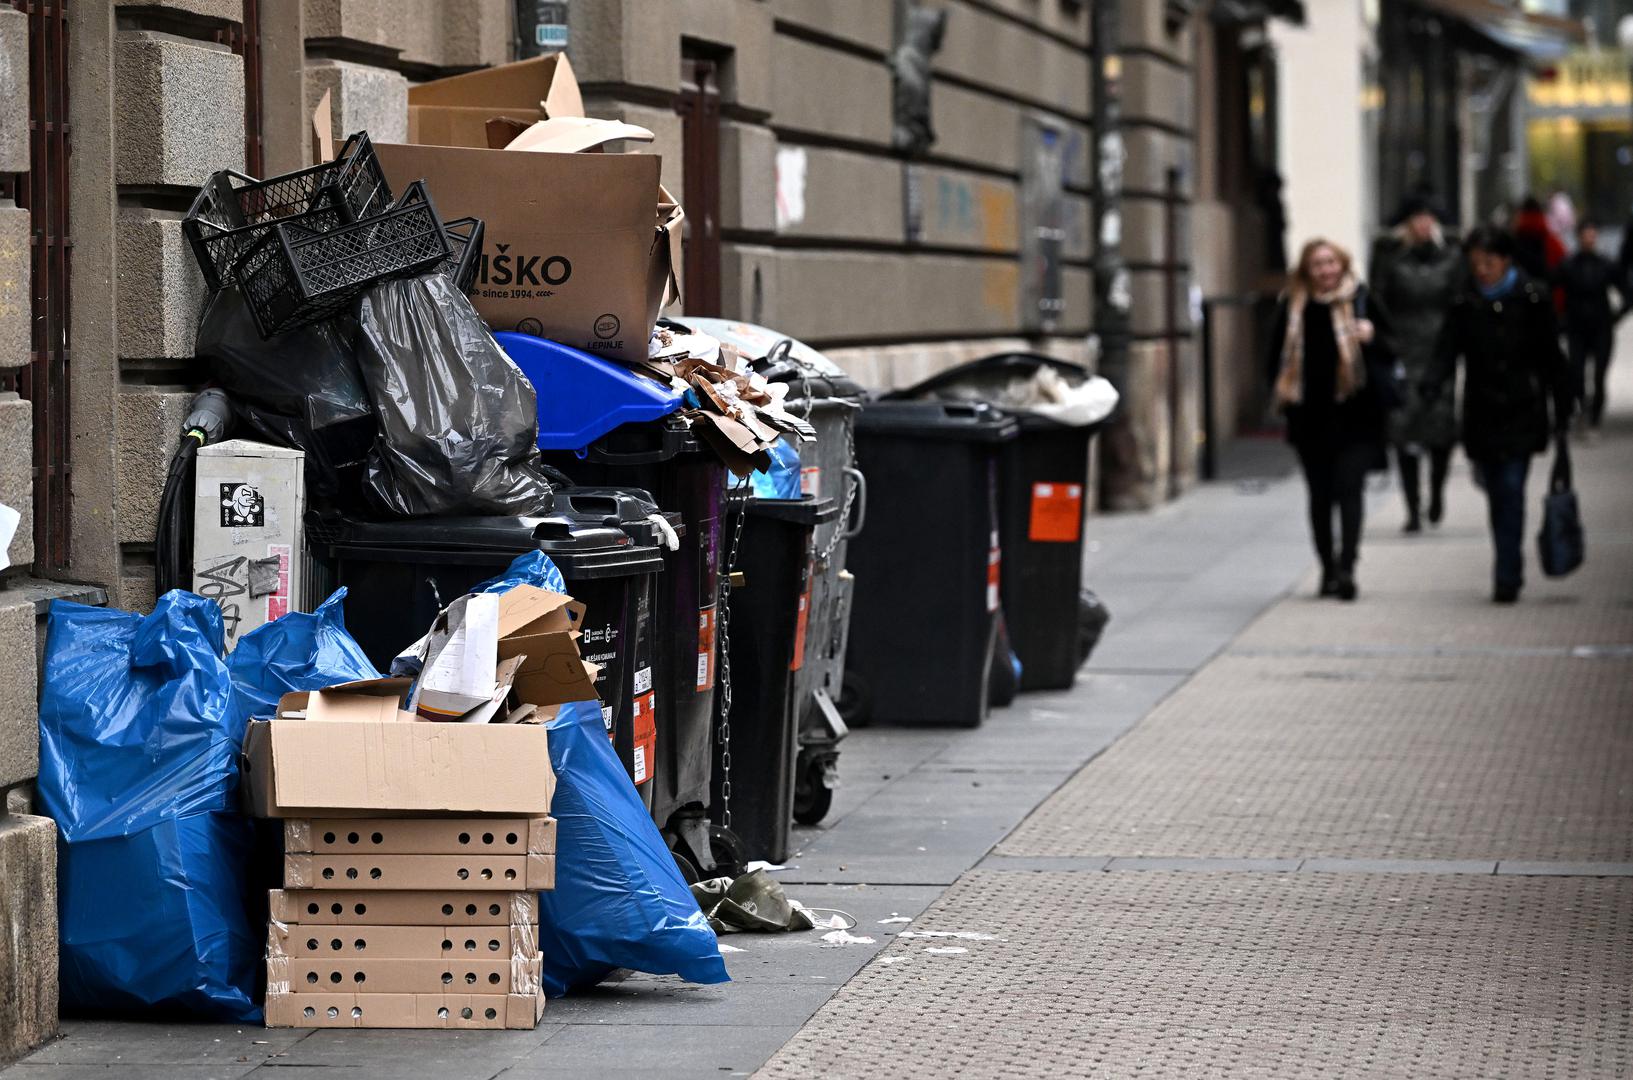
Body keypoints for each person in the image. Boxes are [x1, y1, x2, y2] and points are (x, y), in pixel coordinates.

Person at [1429, 226, 1573, 604]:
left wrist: (1563, 402)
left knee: (1511, 488)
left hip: (1521, 408)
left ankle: (1507, 573)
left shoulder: (1532, 298)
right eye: (1475, 262)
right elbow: (1447, 350)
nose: (1481, 270)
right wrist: (1431, 386)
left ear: (1506, 260)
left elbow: (1551, 356)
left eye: (1488, 262)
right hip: (1481, 411)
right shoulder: (1464, 301)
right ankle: (1508, 558)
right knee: (1495, 490)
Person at [1268, 239, 1393, 601]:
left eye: (1331, 262)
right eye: (1317, 264)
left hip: (1357, 417)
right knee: (1320, 496)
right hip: (1310, 419)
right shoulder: (1293, 306)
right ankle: (1327, 566)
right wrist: (1283, 399)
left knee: (1350, 491)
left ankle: (1348, 567)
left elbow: (1393, 344)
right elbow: (1273, 359)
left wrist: (1372, 337)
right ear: (1306, 271)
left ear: (1342, 263)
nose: (1325, 270)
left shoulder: (1361, 299)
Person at [1369, 196, 1463, 532]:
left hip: (1440, 352)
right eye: (1416, 219)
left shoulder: (1451, 257)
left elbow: (1459, 301)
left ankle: (1436, 491)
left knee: (1441, 431)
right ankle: (1413, 506)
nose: (1423, 226)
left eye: (1428, 219)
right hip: (1404, 352)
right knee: (1404, 430)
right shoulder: (1391, 259)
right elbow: (1378, 301)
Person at [1553, 218, 1621, 432]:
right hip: (1577, 327)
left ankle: (1595, 415)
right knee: (1577, 372)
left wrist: (1615, 316)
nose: (1590, 239)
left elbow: (1625, 292)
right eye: (1586, 235)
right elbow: (1549, 288)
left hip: (1601, 327)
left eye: (1593, 234)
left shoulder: (1606, 264)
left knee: (1599, 374)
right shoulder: (1568, 265)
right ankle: (1583, 409)